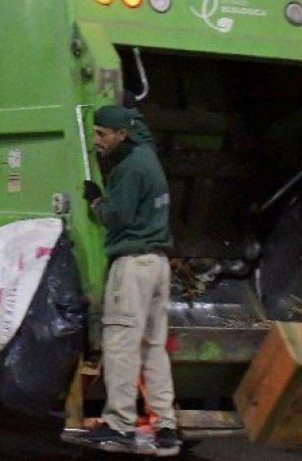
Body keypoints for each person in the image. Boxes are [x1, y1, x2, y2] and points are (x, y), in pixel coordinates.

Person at [75, 104, 180, 457]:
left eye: (103, 134)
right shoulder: (147, 155)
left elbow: (115, 216)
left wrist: (95, 202)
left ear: (122, 134)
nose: (97, 140)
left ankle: (118, 424)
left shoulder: (129, 168)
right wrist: (133, 109)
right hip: (159, 265)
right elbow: (142, 131)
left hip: (132, 266)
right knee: (154, 346)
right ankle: (166, 425)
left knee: (120, 344)